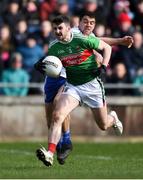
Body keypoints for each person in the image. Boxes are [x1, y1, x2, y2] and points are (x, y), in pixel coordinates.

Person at [35, 12, 133, 166]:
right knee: (57, 115)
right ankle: (50, 153)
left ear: (68, 28)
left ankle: (113, 118)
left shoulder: (82, 38)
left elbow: (105, 46)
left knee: (103, 125)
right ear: (77, 24)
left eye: (60, 28)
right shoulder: (55, 46)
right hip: (72, 86)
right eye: (55, 29)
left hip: (92, 86)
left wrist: (104, 66)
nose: (58, 32)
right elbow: (53, 61)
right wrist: (41, 64)